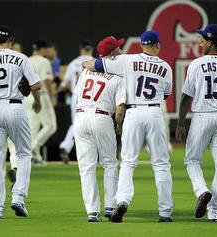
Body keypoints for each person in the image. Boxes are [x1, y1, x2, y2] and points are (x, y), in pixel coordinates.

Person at [83, 31, 174, 223]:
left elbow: (95, 65)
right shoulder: (165, 67)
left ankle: (122, 200)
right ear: (158, 45)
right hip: (155, 112)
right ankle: (165, 211)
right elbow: (165, 94)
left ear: (141, 45)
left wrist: (87, 65)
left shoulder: (128, 60)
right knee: (161, 164)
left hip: (132, 113)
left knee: (128, 162)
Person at [175, 24, 217, 222]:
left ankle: (202, 191)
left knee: (192, 160)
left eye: (203, 39)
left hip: (202, 116)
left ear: (211, 41)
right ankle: (214, 213)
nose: (200, 42)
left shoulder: (197, 64)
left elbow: (186, 97)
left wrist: (180, 123)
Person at [0, 25, 42, 219]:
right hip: (15, 107)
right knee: (24, 153)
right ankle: (18, 197)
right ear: (10, 40)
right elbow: (36, 85)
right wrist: (37, 100)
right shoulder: (20, 57)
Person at [74, 36, 125, 222]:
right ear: (113, 53)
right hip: (102, 117)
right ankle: (110, 206)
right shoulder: (119, 75)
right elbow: (120, 108)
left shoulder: (86, 71)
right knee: (109, 163)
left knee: (86, 167)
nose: (120, 50)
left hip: (81, 116)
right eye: (118, 48)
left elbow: (78, 95)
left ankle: (92, 212)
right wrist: (119, 124)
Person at [7, 39, 57, 170]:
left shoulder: (27, 59)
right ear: (42, 49)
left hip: (26, 96)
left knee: (32, 129)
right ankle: (34, 147)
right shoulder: (44, 61)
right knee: (51, 126)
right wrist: (52, 97)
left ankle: (34, 156)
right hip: (40, 95)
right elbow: (45, 81)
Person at [58, 40, 94, 164]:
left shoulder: (73, 63)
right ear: (91, 49)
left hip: (75, 95)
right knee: (91, 123)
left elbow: (65, 83)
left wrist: (56, 92)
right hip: (90, 96)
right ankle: (91, 152)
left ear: (81, 49)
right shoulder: (94, 62)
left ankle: (66, 146)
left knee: (76, 123)